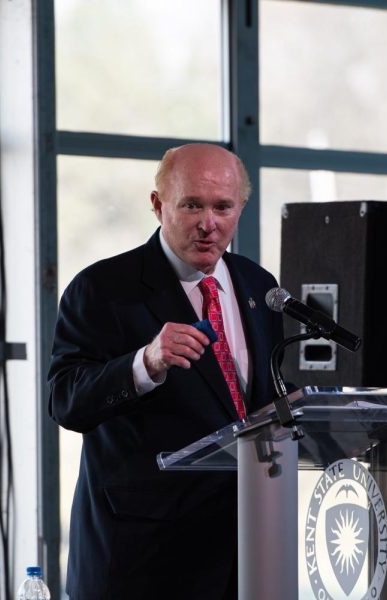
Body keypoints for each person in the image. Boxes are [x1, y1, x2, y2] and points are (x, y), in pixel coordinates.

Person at [48, 143, 284, 599]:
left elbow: (253, 398)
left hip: (244, 549)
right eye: (192, 204)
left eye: (222, 207)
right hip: (142, 557)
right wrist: (145, 363)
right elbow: (65, 402)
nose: (208, 223)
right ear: (158, 205)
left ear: (241, 209)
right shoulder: (103, 289)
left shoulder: (259, 285)